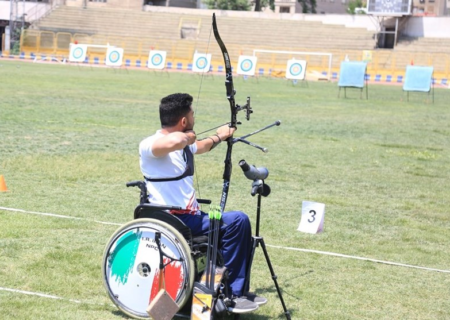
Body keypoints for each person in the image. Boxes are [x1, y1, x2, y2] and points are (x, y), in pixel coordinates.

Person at [139, 93, 267, 314]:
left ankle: (225, 290)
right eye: (192, 114)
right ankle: (234, 295)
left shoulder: (183, 144)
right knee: (238, 221)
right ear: (183, 121)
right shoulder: (151, 145)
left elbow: (202, 145)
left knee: (229, 221)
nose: (194, 117)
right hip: (176, 221)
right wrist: (188, 136)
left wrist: (220, 136)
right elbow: (178, 141)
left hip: (190, 218)